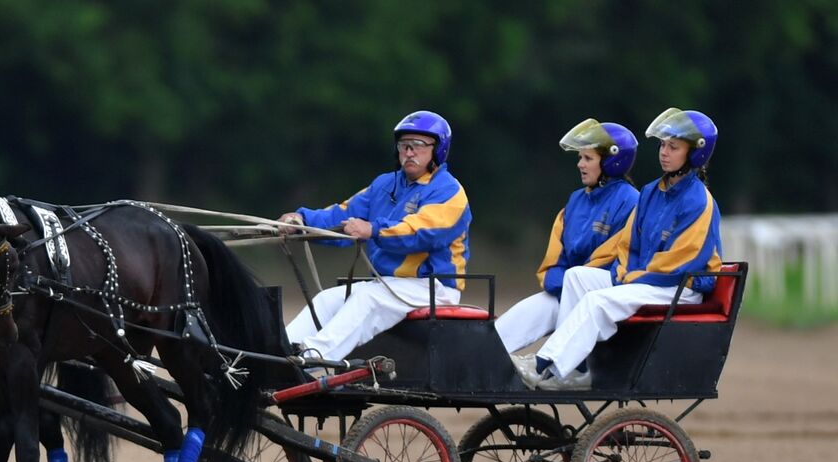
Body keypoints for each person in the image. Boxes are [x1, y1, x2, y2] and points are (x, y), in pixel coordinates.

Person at [515, 108, 723, 390]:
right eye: (662, 145)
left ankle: (545, 365)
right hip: (644, 279)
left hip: (678, 287)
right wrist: (625, 272)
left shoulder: (700, 201)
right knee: (577, 276)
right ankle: (577, 369)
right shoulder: (650, 191)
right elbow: (628, 244)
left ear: (696, 154)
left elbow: (677, 263)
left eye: (673, 147)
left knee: (597, 301)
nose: (663, 152)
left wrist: (631, 278)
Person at [279, 110, 472, 364]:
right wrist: (301, 221)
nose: (409, 152)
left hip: (433, 287)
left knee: (367, 298)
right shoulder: (384, 184)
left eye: (418, 145)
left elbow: (422, 233)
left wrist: (373, 230)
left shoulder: (449, 191)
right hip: (390, 284)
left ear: (438, 149)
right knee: (327, 300)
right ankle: (279, 355)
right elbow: (343, 214)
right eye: (404, 145)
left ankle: (313, 358)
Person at [495, 119, 640, 355]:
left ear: (612, 161)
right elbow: (553, 264)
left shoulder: (631, 202)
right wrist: (564, 285)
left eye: (588, 158)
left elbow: (613, 266)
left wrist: (570, 284)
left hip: (597, 301)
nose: (580, 164)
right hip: (564, 293)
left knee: (573, 283)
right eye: (580, 157)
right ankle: (475, 371)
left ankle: (552, 370)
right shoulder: (575, 201)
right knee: (501, 332)